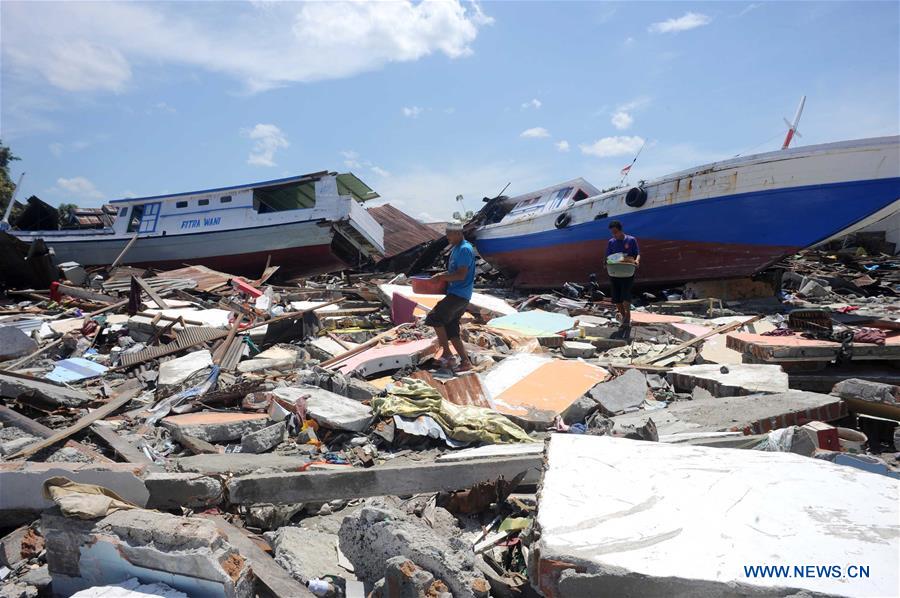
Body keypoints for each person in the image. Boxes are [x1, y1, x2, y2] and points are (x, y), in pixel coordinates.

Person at [425, 222, 476, 371]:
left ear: (458, 234)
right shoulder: (456, 249)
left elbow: (461, 275)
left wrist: (441, 277)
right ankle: (466, 362)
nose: (447, 238)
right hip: (458, 293)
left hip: (460, 294)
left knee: (434, 317)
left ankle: (447, 355)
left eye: (450, 235)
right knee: (451, 328)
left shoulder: (465, 249)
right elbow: (454, 273)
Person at [605, 220, 640, 335]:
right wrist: (606, 262)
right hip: (615, 272)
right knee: (616, 298)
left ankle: (628, 316)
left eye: (615, 232)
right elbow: (608, 257)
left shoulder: (631, 240)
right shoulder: (611, 242)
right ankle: (624, 317)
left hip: (627, 271)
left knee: (626, 295)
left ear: (620, 230)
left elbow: (637, 253)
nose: (614, 234)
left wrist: (637, 261)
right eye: (612, 233)